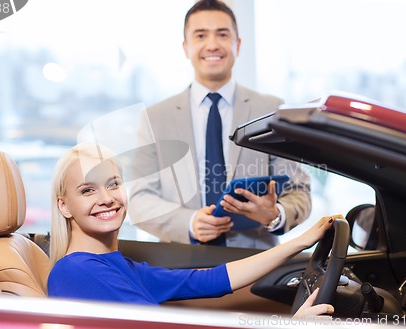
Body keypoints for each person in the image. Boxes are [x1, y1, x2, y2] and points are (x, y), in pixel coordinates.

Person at [47, 143, 338, 318]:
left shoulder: (114, 265)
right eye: (88, 190)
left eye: (113, 183)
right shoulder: (78, 271)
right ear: (64, 206)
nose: (107, 198)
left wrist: (300, 242)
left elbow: (212, 280)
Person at [128, 0, 311, 249]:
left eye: (222, 34)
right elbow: (139, 199)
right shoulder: (155, 118)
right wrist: (189, 221)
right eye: (200, 35)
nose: (212, 44)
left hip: (255, 260)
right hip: (181, 262)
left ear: (238, 44)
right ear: (186, 47)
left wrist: (275, 213)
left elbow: (299, 190)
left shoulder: (271, 111)